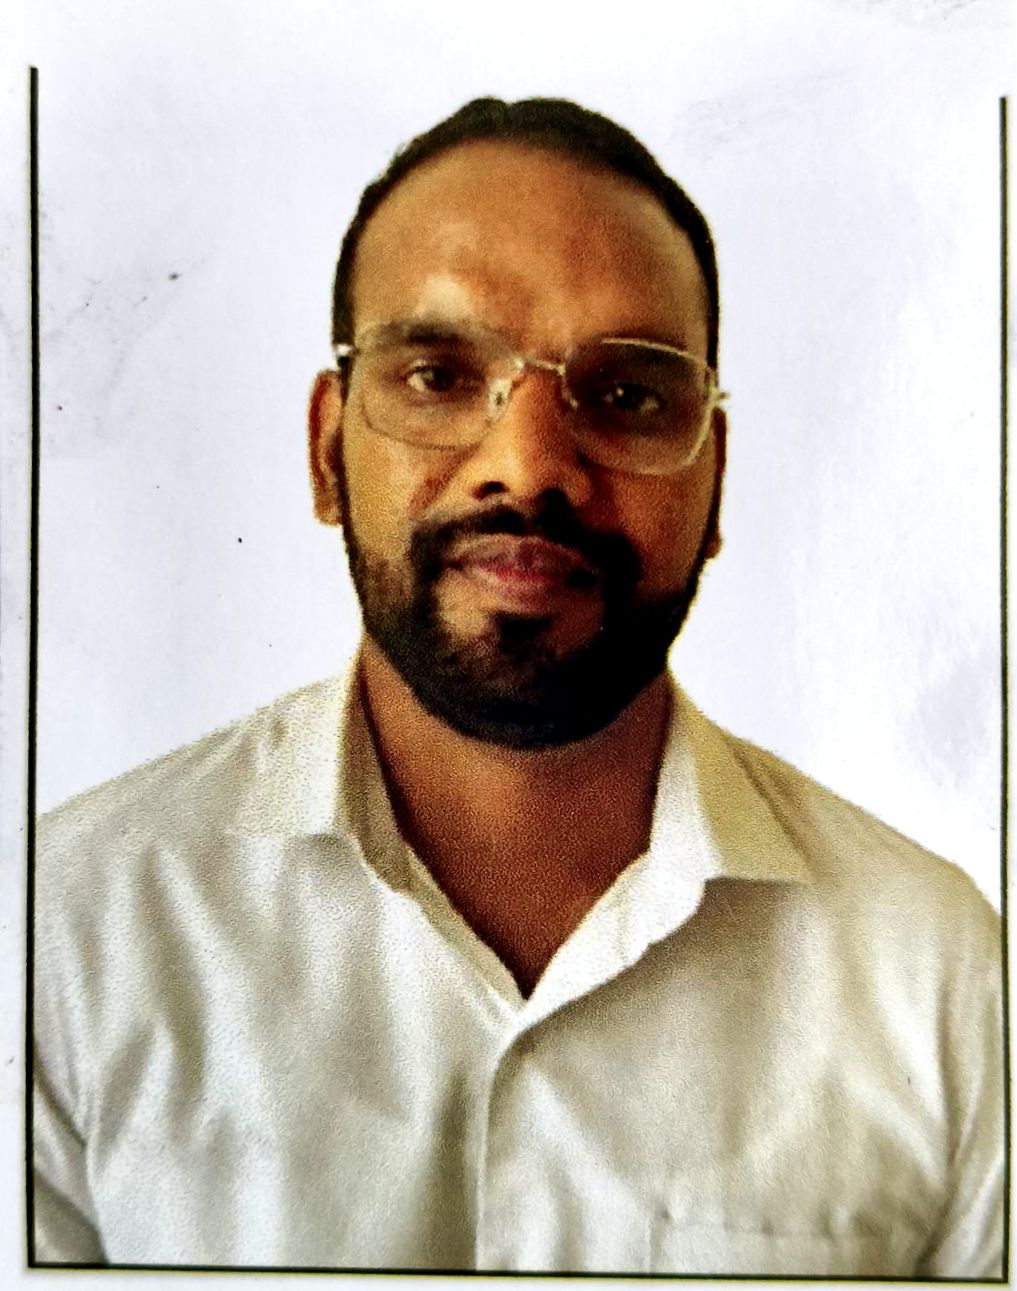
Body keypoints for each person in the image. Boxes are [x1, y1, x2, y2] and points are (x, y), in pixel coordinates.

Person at [32, 97, 1003, 1277]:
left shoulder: (940, 974)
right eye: (439, 375)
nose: (531, 465)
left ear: (715, 478)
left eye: (629, 393)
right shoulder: (62, 937)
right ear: (327, 452)